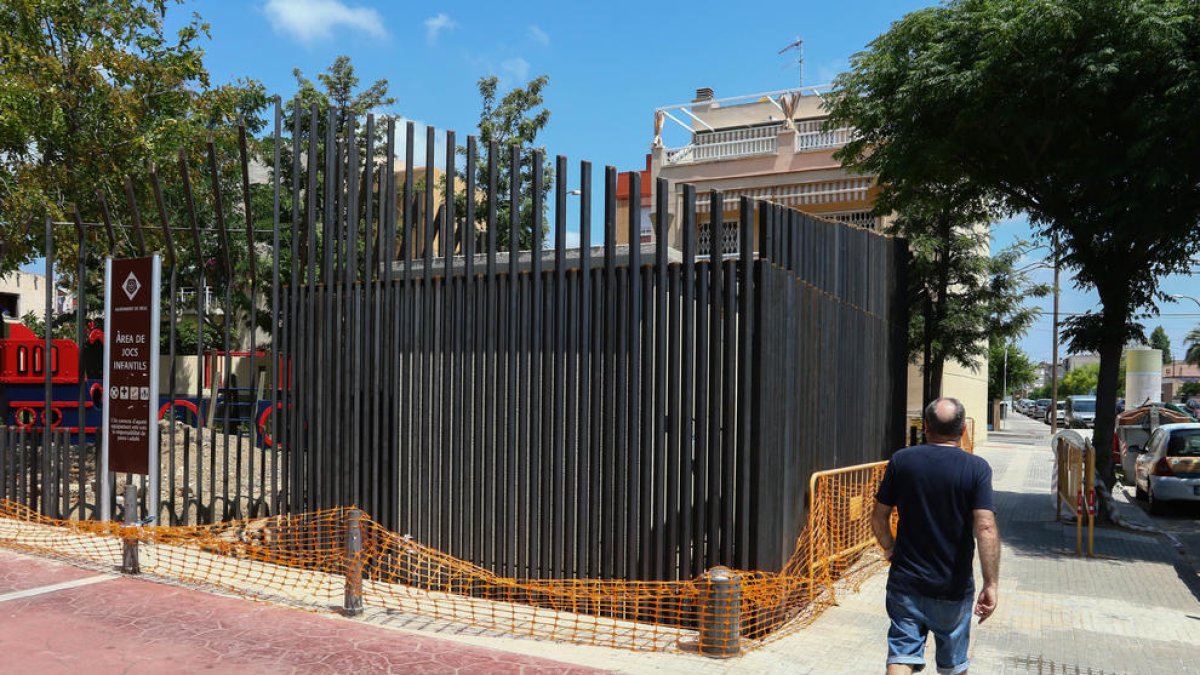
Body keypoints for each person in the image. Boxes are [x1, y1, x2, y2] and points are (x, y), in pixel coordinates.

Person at [871, 397, 1000, 675]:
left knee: (901, 654)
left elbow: (879, 516)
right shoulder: (977, 469)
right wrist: (991, 583)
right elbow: (986, 527)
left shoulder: (902, 461)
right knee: (954, 665)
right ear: (964, 428)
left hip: (906, 582)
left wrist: (890, 547)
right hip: (952, 587)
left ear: (926, 426)